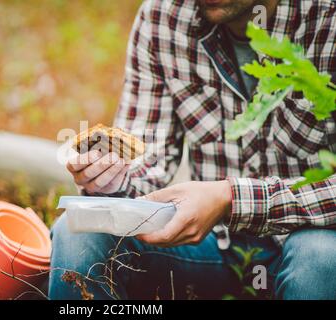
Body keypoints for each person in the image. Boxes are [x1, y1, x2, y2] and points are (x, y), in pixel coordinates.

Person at [49, 0, 336, 299]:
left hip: (307, 246)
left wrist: (230, 198)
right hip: (214, 248)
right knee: (76, 231)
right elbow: (145, 161)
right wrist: (110, 178)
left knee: (322, 256)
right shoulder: (163, 17)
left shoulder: (327, 19)